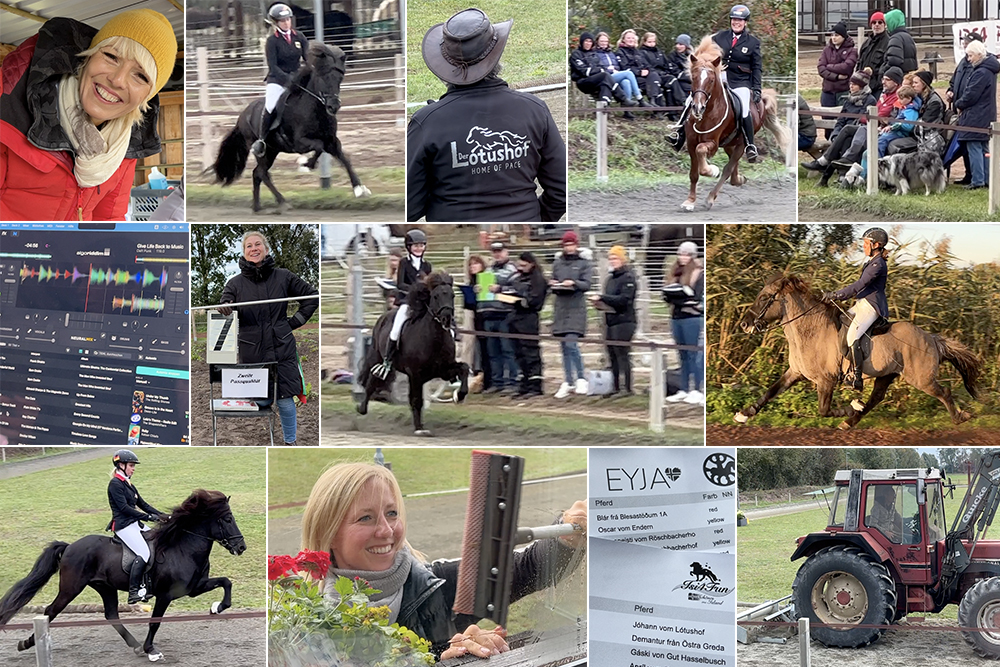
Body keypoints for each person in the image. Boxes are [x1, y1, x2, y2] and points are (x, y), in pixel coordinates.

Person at [300, 462, 586, 659]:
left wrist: (566, 535)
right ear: (329, 532)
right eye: (365, 518)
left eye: (392, 513)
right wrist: (437, 658)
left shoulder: (439, 586)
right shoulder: (301, 618)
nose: (386, 531)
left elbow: (526, 569)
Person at [0, 9, 177, 220]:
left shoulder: (125, 143)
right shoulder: (10, 109)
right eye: (111, 56)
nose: (118, 79)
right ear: (89, 56)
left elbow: (109, 221)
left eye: (140, 75)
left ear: (147, 96)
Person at [407, 8, 566, 222]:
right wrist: (532, 217)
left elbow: (410, 207)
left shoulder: (426, 123)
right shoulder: (535, 109)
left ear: (446, 65)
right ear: (495, 57)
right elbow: (562, 191)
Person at [218, 230, 318, 444]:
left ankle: (290, 441)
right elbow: (225, 301)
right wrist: (225, 307)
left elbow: (311, 297)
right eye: (249, 246)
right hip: (253, 350)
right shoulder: (234, 284)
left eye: (258, 245)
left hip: (282, 347)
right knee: (262, 400)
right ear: (244, 253)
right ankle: (265, 414)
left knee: (284, 400)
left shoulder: (284, 276)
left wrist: (292, 323)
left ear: (266, 249)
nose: (254, 249)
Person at [821, 227, 890, 392]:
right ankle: (841, 367)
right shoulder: (872, 261)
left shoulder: (878, 264)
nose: (864, 246)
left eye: (867, 243)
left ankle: (857, 377)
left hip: (872, 306)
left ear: (877, 245)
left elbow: (859, 285)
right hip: (862, 304)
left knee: (853, 335)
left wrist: (836, 295)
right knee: (841, 321)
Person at [373, 229, 432, 380]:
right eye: (415, 246)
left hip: (423, 303)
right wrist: (416, 289)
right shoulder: (404, 263)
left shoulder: (427, 266)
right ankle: (387, 360)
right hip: (408, 302)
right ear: (409, 247)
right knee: (396, 326)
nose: (419, 248)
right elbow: (400, 284)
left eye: (421, 245)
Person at [250, 3, 308, 158]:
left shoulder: (299, 37)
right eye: (283, 21)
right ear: (276, 22)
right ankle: (261, 140)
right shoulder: (272, 41)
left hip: (296, 79)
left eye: (288, 19)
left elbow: (307, 59)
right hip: (277, 80)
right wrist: (288, 79)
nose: (286, 23)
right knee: (270, 106)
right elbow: (273, 66)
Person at [106, 449, 163, 604]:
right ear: (121, 465)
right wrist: (148, 517)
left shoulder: (128, 484)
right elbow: (125, 509)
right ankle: (133, 592)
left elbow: (143, 504)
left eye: (133, 466)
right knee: (144, 553)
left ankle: (147, 586)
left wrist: (163, 516)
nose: (133, 468)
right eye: (131, 465)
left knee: (156, 543)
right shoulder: (115, 484)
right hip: (123, 526)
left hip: (134, 524)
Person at [802, 71, 876, 186]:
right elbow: (840, 121)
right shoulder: (848, 99)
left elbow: (860, 121)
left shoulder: (870, 100)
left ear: (862, 86)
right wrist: (835, 135)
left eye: (854, 84)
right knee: (843, 139)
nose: (851, 86)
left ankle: (826, 172)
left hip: (859, 134)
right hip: (844, 133)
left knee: (846, 139)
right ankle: (839, 177)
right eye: (850, 83)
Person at [712, 5, 764, 161]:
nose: (736, 22)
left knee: (744, 108)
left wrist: (756, 89)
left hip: (740, 81)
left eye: (740, 20)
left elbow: (756, 67)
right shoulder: (718, 37)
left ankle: (750, 145)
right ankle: (680, 132)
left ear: (745, 22)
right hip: (719, 77)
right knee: (694, 97)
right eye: (734, 19)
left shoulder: (753, 42)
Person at [550, 231, 592, 399]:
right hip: (560, 307)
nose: (569, 248)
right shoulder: (558, 263)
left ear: (576, 245)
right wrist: (553, 283)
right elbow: (553, 279)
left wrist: (574, 283)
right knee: (563, 347)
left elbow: (587, 284)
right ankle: (568, 381)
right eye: (566, 245)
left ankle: (581, 377)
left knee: (571, 344)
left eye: (571, 244)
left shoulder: (584, 264)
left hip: (576, 307)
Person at [833, 66, 902, 169]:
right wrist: (835, 133)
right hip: (868, 126)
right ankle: (831, 165)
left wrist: (865, 118)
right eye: (883, 79)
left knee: (852, 133)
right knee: (848, 132)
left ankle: (840, 165)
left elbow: (877, 115)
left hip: (876, 128)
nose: (883, 82)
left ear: (896, 83)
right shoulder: (884, 95)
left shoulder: (892, 97)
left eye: (887, 79)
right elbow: (842, 119)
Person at [662, 242, 705, 405]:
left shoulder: (699, 273)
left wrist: (690, 302)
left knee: (694, 354)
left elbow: (698, 296)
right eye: (681, 254)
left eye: (687, 254)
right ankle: (684, 388)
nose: (683, 257)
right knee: (682, 355)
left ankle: (698, 389)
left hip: (692, 318)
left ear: (693, 256)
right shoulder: (675, 273)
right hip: (676, 316)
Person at [591, 246, 636, 397]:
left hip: (624, 320)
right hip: (610, 320)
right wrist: (601, 305)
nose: (613, 261)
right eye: (611, 258)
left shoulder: (628, 277)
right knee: (612, 354)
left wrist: (603, 298)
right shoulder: (610, 279)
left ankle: (627, 388)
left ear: (623, 259)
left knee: (622, 353)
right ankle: (615, 386)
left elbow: (624, 299)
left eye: (615, 258)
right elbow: (610, 298)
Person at [952, 40, 998, 191]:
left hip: (976, 114)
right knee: (983, 147)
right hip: (985, 113)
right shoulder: (988, 70)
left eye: (970, 55)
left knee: (974, 147)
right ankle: (986, 179)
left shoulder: (981, 72)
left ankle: (978, 180)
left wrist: (958, 103)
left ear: (979, 55)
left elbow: (971, 95)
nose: (969, 59)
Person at [505, 252, 548, 398]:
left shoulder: (538, 280)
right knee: (518, 353)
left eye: (524, 265)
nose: (521, 268)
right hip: (514, 317)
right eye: (519, 265)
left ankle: (536, 385)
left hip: (528, 318)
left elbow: (535, 301)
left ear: (532, 264)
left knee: (530, 351)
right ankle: (524, 383)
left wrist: (520, 300)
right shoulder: (516, 278)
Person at [947, 33, 982, 184]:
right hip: (960, 107)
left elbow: (972, 91)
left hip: (969, 109)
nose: (964, 44)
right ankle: (969, 174)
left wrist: (960, 103)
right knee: (964, 143)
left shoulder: (977, 66)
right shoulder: (963, 62)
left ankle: (975, 177)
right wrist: (950, 90)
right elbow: (954, 81)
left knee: (971, 144)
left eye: (967, 42)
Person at [569, 31, 635, 108]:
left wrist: (599, 70)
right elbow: (583, 71)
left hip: (595, 79)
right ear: (582, 42)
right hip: (583, 82)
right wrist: (598, 70)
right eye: (586, 41)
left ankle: (604, 105)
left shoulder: (594, 54)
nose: (588, 43)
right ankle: (623, 99)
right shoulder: (576, 54)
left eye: (590, 41)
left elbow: (601, 67)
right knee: (605, 76)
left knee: (605, 83)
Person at [887, 70, 945, 155]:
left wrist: (901, 125)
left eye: (916, 83)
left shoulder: (934, 102)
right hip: (913, 133)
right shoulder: (919, 97)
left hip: (926, 137)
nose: (913, 85)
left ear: (924, 84)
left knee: (893, 144)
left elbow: (924, 125)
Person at [817, 22, 857, 136]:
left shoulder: (852, 51)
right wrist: (837, 76)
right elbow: (821, 68)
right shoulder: (826, 50)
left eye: (837, 35)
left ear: (843, 36)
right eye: (832, 35)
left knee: (842, 119)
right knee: (827, 118)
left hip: (843, 91)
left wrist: (829, 67)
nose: (834, 38)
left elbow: (847, 67)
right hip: (827, 91)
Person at [617, 29, 664, 110]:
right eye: (628, 38)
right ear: (623, 39)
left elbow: (646, 64)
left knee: (654, 75)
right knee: (654, 83)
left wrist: (647, 70)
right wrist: (639, 72)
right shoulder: (620, 52)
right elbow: (624, 67)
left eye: (632, 38)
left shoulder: (637, 52)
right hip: (632, 77)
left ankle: (653, 101)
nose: (631, 40)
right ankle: (649, 103)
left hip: (643, 76)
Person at [464, 254, 491, 391]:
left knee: (488, 350)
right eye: (470, 264)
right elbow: (470, 305)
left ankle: (489, 380)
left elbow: (488, 298)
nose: (472, 267)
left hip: (486, 317)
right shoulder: (471, 282)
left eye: (475, 264)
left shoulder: (486, 278)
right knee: (479, 349)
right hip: (476, 318)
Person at [877, 85, 919, 157]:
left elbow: (909, 126)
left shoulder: (911, 111)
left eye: (901, 99)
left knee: (882, 141)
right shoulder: (904, 108)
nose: (899, 101)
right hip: (897, 131)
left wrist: (893, 127)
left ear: (909, 98)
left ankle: (878, 160)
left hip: (901, 133)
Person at [878, 9, 917, 87]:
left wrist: (882, 71)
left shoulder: (896, 38)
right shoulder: (908, 37)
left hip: (897, 79)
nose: (886, 26)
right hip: (907, 77)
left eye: (887, 22)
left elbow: (894, 60)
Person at [856, 12, 889, 99]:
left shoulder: (888, 42)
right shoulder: (866, 43)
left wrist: (874, 74)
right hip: (863, 85)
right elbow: (859, 63)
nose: (877, 25)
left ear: (885, 25)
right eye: (874, 22)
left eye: (880, 22)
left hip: (878, 87)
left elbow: (887, 65)